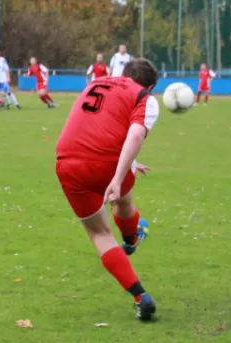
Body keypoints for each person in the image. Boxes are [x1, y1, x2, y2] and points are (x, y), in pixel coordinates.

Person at [55, 58, 160, 322]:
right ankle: (131, 239)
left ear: (123, 73)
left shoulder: (96, 83)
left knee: (99, 234)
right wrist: (118, 174)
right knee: (122, 196)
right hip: (105, 163)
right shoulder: (143, 97)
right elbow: (135, 135)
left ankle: (140, 296)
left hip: (67, 161)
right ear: (151, 86)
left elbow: (96, 125)